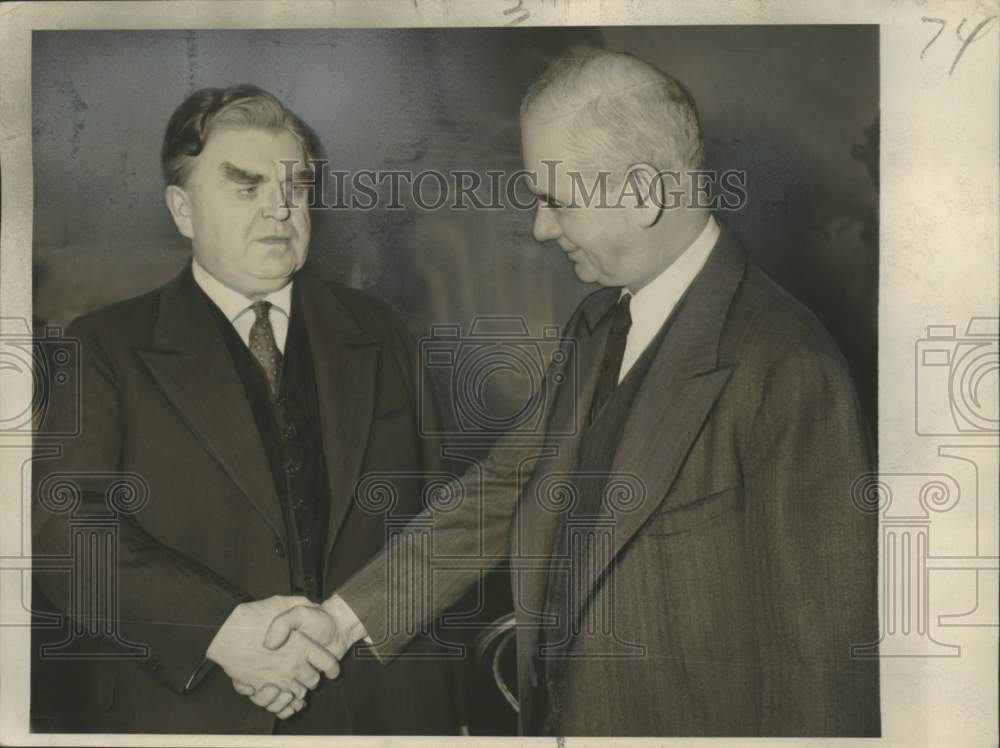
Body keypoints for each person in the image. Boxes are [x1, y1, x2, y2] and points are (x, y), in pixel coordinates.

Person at [250, 49, 881, 736]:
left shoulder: (788, 366)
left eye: (557, 200)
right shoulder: (599, 320)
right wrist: (340, 620)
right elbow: (505, 486)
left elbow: (825, 671)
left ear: (642, 195)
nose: (541, 229)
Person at [31, 85, 462, 735]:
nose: (279, 210)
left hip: (385, 711)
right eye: (247, 187)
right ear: (182, 210)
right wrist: (222, 630)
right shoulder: (104, 345)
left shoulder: (381, 329)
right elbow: (64, 533)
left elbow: (446, 522)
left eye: (295, 187)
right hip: (194, 713)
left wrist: (460, 714)